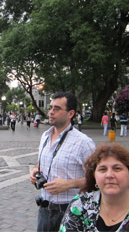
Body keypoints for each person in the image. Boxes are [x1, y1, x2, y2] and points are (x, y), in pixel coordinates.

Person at [59, 143, 129, 232]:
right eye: (102, 169)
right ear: (94, 176)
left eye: (117, 168)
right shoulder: (80, 207)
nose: (109, 175)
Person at [30, 92, 96, 232]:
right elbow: (42, 163)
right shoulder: (45, 136)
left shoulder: (83, 143)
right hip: (44, 209)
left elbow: (97, 179)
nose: (51, 112)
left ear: (70, 113)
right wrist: (35, 170)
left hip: (70, 211)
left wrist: (69, 184)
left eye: (57, 108)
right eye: (51, 107)